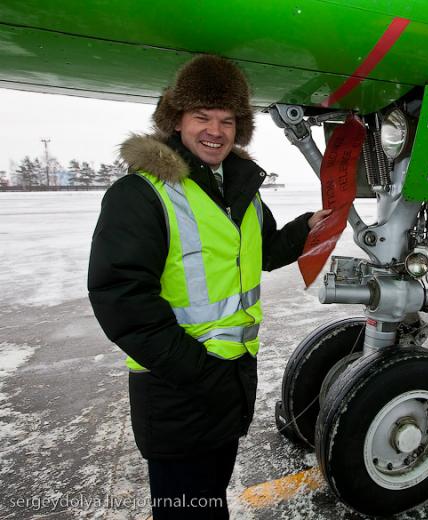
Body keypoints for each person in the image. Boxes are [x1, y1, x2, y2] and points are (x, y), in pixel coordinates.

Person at [88, 54, 329, 519]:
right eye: (202, 117)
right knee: (187, 508)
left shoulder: (238, 191)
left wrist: (305, 229)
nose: (215, 130)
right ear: (176, 121)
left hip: (229, 381)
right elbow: (120, 298)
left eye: (226, 120)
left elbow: (258, 254)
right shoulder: (142, 193)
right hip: (177, 386)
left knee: (209, 500)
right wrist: (196, 371)